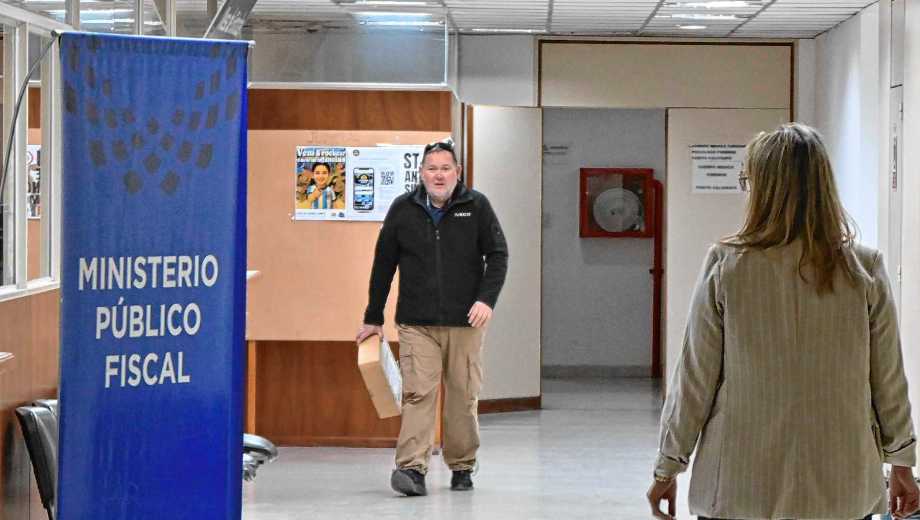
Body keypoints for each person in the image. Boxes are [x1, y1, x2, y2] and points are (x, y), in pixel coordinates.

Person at [647, 123, 919, 520]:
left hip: (740, 485)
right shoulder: (864, 268)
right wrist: (902, 463)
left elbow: (695, 379)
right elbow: (888, 379)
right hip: (842, 485)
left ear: (762, 189)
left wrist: (668, 466)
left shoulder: (727, 265)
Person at [356, 139, 508, 497]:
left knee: (462, 397)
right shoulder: (403, 208)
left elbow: (498, 255)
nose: (439, 175)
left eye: (445, 168)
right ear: (422, 173)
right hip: (417, 322)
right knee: (418, 394)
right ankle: (411, 469)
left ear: (458, 172)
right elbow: (383, 265)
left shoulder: (477, 206)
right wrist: (373, 317)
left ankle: (462, 465)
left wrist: (486, 300)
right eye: (432, 169)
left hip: (466, 323)